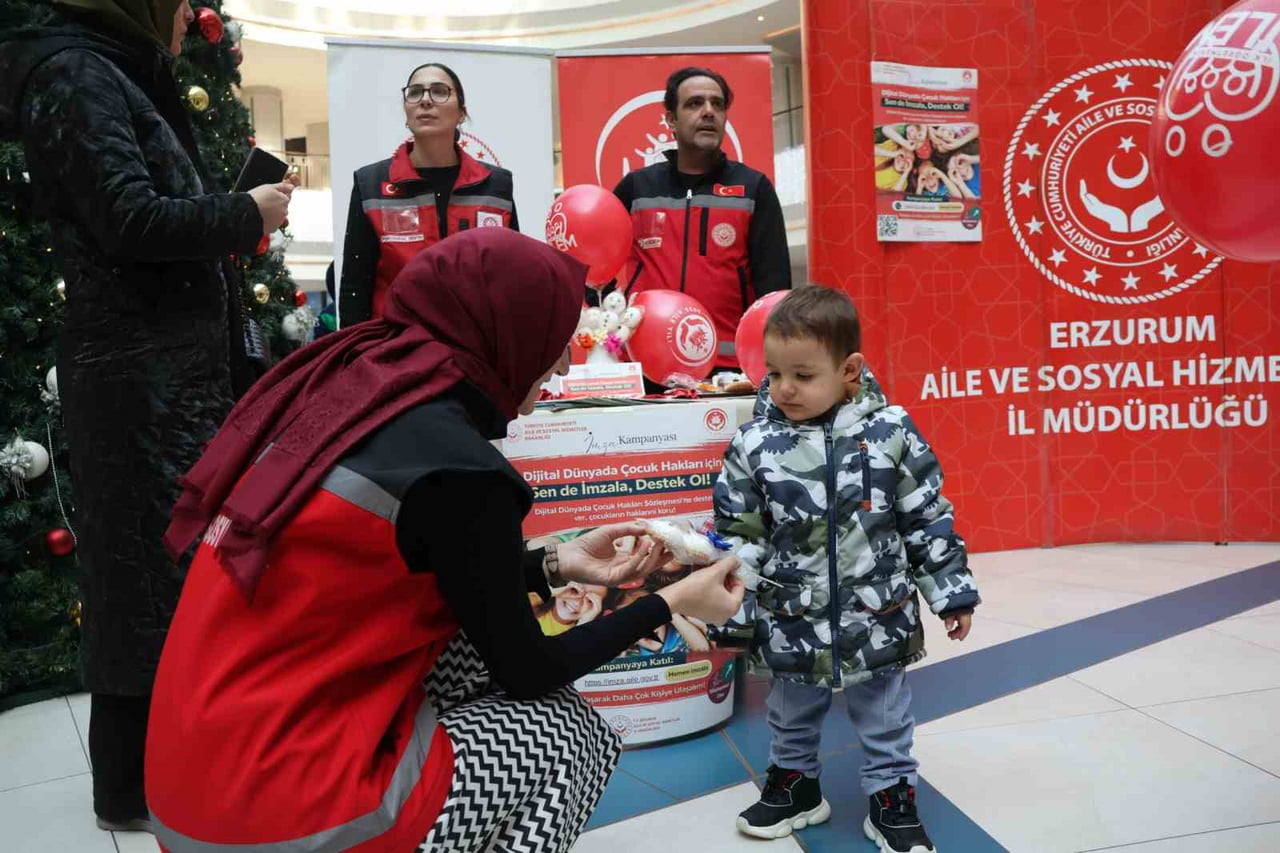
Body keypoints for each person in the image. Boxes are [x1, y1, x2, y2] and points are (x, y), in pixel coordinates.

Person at [146, 229, 745, 853]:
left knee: (462, 647)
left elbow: (433, 570)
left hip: (190, 780)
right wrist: (670, 601)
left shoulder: (352, 393)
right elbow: (530, 672)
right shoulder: (462, 470)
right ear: (505, 330)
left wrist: (556, 562)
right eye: (555, 338)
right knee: (566, 732)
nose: (564, 365)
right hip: (278, 813)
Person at [0, 0, 292, 833]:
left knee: (158, 576)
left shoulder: (104, 69)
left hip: (162, 373)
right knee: (143, 578)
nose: (189, 18)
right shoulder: (75, 72)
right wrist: (246, 212)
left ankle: (150, 778)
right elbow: (127, 218)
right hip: (137, 380)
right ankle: (135, 788)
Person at [712, 286, 980, 851]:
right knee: (790, 709)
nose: (783, 388)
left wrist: (951, 591)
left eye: (803, 375)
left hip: (878, 614)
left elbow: (926, 516)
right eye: (775, 373)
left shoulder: (892, 433)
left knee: (885, 715)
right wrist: (730, 608)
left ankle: (891, 793)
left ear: (849, 370)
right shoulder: (754, 443)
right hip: (791, 616)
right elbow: (739, 535)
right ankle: (796, 786)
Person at [600, 66, 791, 373]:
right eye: (694, 103)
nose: (708, 111)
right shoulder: (636, 188)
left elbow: (775, 291)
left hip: (729, 372)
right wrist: (610, 311)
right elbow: (593, 264)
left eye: (718, 104)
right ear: (671, 120)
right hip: (644, 367)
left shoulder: (753, 188)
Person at [339, 61, 519, 327]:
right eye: (415, 92)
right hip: (396, 345)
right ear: (406, 112)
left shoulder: (496, 184)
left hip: (476, 345)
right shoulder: (370, 184)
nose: (425, 100)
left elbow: (511, 277)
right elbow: (355, 286)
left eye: (439, 91)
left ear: (461, 113)